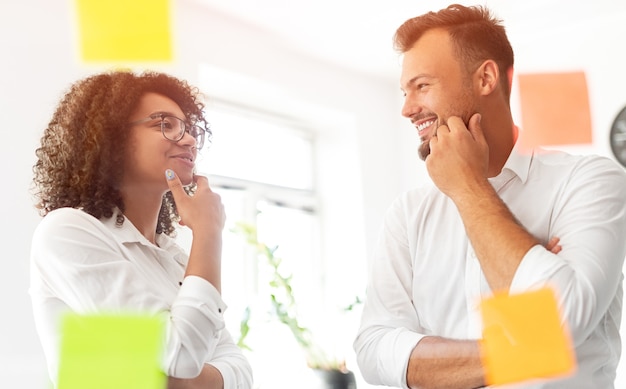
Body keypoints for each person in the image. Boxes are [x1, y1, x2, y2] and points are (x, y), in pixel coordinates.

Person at [353, 4, 626, 388]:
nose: (406, 108)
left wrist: (468, 188)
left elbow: (560, 321)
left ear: (485, 78)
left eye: (422, 86)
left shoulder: (590, 182)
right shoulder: (408, 215)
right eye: (404, 91)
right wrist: (529, 347)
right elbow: (374, 350)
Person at [30, 70, 253, 388]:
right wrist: (208, 232)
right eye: (165, 124)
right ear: (111, 138)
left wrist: (184, 382)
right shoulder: (68, 231)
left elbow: (240, 368)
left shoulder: (173, 257)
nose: (188, 140)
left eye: (188, 129)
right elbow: (183, 355)